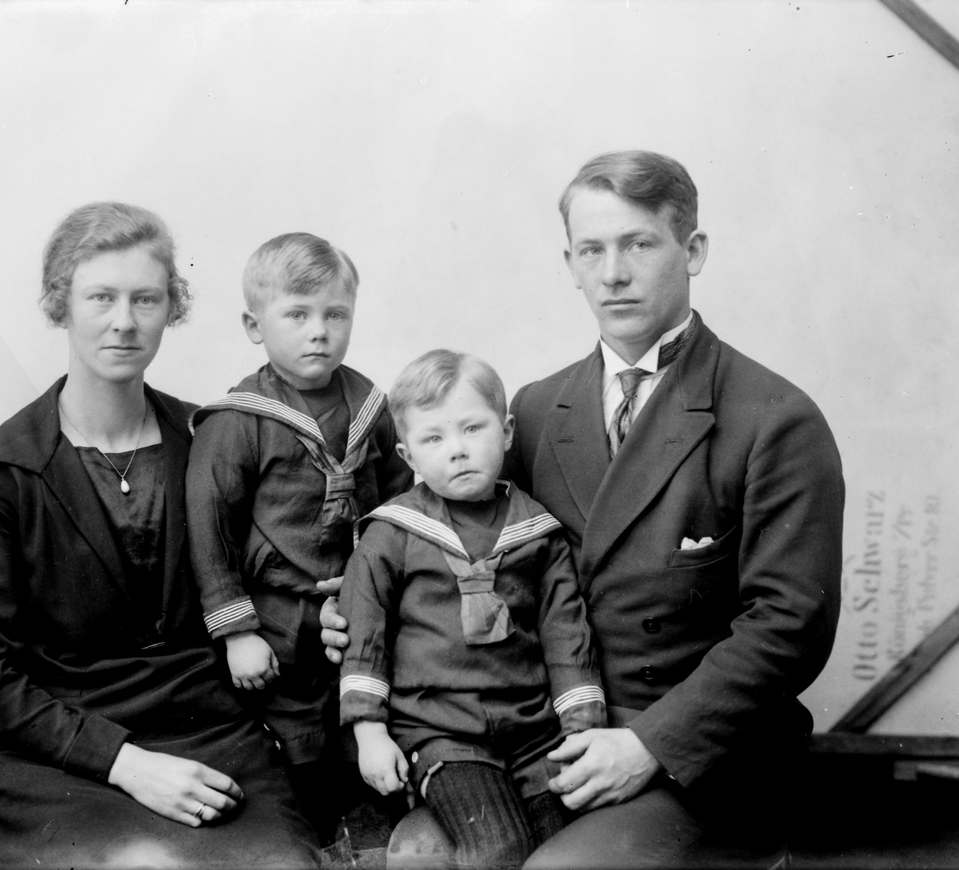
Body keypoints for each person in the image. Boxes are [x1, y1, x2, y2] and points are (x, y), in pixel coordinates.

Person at [324, 151, 844, 868]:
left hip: (699, 752)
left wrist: (648, 745)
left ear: (692, 251)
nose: (613, 273)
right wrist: (362, 608)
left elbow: (791, 626)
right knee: (418, 856)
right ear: (569, 262)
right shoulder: (534, 410)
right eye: (592, 251)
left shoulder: (773, 418)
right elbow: (455, 544)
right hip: (542, 735)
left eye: (638, 244)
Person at [0, 202, 319, 869]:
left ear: (170, 309)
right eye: (100, 297)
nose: (124, 321)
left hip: (209, 736)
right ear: (60, 304)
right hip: (61, 758)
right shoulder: (1, 469)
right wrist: (122, 762)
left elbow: (269, 578)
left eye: (146, 298)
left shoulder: (213, 439)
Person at [339, 350, 606, 870]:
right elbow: (364, 635)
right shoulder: (391, 533)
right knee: (498, 849)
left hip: (533, 730)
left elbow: (565, 634)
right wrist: (369, 733)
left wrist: (581, 725)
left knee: (566, 850)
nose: (456, 451)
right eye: (433, 439)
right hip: (442, 732)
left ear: (506, 431)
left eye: (472, 428)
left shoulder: (538, 532)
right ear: (407, 454)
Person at [186, 232, 413, 841]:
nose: (320, 331)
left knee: (361, 712)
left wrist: (379, 583)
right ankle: (307, 832)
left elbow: (397, 503)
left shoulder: (370, 405)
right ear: (254, 325)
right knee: (293, 731)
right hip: (276, 611)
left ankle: (365, 828)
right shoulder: (238, 420)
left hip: (355, 600)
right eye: (298, 314)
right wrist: (237, 632)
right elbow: (210, 529)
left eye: (335, 314)